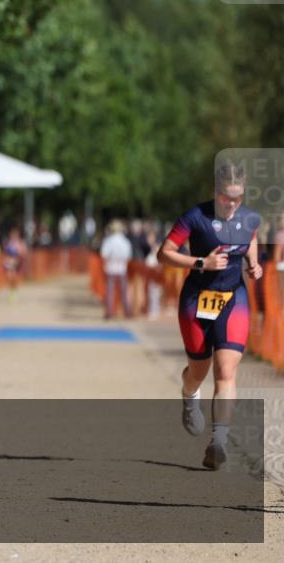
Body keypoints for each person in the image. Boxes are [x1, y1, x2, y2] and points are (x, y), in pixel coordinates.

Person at [158, 163, 262, 470]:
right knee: (198, 371)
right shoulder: (195, 217)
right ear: (215, 192)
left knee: (226, 370)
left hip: (234, 298)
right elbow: (164, 253)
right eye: (227, 197)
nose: (233, 204)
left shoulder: (249, 218)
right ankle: (189, 395)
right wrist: (200, 261)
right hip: (196, 300)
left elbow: (251, 238)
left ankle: (219, 441)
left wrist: (253, 263)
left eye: (238, 197)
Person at [100, 220, 133, 319]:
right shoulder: (126, 241)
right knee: (124, 291)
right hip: (122, 268)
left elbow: (104, 254)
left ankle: (110, 312)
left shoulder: (109, 240)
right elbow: (128, 256)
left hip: (111, 267)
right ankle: (127, 311)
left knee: (110, 291)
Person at [2, 227, 27, 301]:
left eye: (15, 235)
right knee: (9, 277)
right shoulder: (8, 243)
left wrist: (19, 252)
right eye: (12, 235)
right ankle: (11, 291)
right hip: (9, 262)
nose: (14, 236)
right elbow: (5, 252)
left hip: (17, 262)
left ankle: (14, 292)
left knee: (14, 278)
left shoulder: (20, 243)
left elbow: (24, 253)